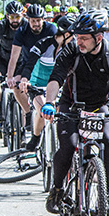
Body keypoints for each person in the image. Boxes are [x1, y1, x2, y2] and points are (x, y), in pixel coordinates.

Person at [41, 10, 109, 214]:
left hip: (100, 107)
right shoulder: (71, 50)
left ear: (98, 38)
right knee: (69, 145)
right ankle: (57, 190)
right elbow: (56, 77)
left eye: (84, 38)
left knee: (108, 141)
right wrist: (49, 102)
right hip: (71, 106)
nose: (79, 42)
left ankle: (106, 195)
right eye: (77, 37)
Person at [18, 14, 76, 152]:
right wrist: (25, 79)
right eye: (74, 36)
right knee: (43, 109)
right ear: (66, 34)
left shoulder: (71, 48)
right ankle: (36, 137)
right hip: (38, 84)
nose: (76, 39)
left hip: (57, 86)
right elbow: (29, 63)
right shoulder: (44, 44)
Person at [7, 4, 57, 129]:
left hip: (47, 65)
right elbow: (14, 56)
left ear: (43, 19)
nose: (36, 24)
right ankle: (28, 112)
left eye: (38, 20)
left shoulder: (51, 29)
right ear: (27, 20)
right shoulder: (22, 31)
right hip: (27, 64)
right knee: (17, 86)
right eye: (33, 21)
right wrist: (10, 77)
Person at [0, 1, 25, 132]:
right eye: (12, 17)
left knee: (20, 85)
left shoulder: (26, 25)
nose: (15, 20)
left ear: (22, 16)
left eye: (17, 17)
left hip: (19, 61)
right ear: (7, 16)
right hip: (2, 59)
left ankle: (24, 120)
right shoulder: (1, 25)